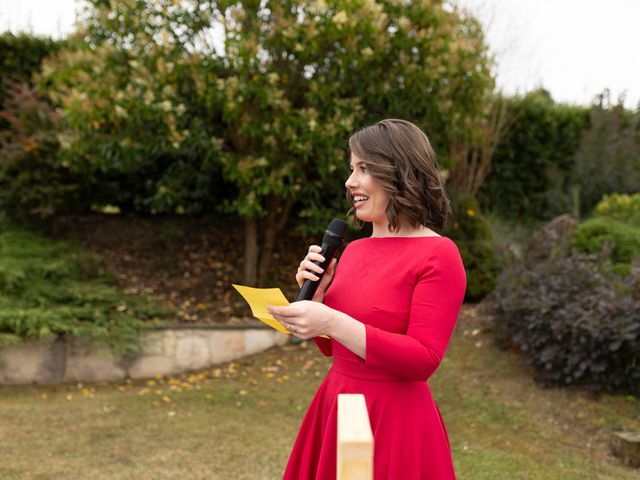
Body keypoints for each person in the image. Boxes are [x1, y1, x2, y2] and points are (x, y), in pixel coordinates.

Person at [267, 119, 466, 479]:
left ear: (399, 173)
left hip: (396, 421)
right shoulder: (355, 251)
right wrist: (320, 299)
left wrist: (330, 320)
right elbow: (334, 348)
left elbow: (424, 359)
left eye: (362, 169)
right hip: (343, 411)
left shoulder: (439, 254)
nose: (350, 182)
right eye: (351, 169)